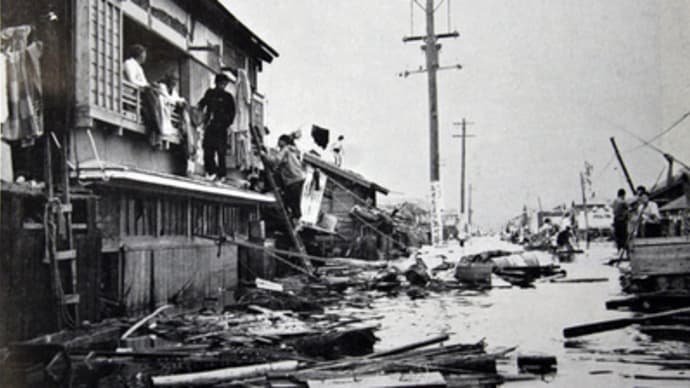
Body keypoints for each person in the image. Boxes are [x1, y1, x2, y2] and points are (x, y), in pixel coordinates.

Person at [197, 73, 235, 180]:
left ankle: (222, 174)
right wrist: (199, 113)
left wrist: (226, 123)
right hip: (210, 125)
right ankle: (211, 171)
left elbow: (232, 113)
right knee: (208, 149)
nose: (222, 86)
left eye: (224, 84)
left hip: (221, 128)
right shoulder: (210, 93)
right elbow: (202, 103)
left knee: (221, 152)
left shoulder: (228, 97)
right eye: (221, 83)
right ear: (216, 83)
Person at [262, 134, 306, 222]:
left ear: (283, 142)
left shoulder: (285, 150)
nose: (277, 142)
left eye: (279, 140)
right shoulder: (292, 150)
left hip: (293, 180)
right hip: (298, 178)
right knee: (292, 203)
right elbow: (278, 164)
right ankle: (293, 221)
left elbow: (275, 161)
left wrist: (264, 155)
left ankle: (295, 223)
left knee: (291, 204)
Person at [611, 188, 629, 253]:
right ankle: (624, 250)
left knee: (618, 236)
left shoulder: (614, 201)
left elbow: (613, 210)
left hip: (616, 220)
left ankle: (619, 250)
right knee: (624, 236)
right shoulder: (623, 201)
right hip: (622, 220)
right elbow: (628, 207)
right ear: (623, 195)